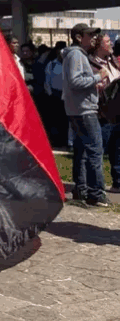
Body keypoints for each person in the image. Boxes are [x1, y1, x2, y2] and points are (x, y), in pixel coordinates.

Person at [63, 23, 109, 206]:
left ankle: (81, 190)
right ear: (79, 37)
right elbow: (75, 81)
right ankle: (96, 194)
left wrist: (93, 85)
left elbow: (76, 82)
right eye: (90, 35)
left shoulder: (75, 54)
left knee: (82, 151)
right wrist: (99, 77)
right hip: (84, 110)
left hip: (78, 108)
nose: (93, 39)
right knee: (95, 152)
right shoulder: (76, 54)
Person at [89, 34, 120, 193]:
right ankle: (94, 187)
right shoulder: (91, 63)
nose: (111, 44)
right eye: (108, 42)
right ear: (99, 45)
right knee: (99, 149)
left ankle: (118, 182)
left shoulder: (113, 61)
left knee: (118, 148)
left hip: (117, 111)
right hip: (102, 112)